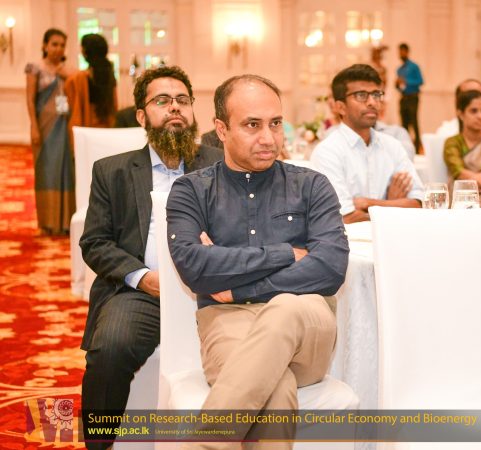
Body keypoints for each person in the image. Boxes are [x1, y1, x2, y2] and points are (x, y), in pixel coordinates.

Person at [166, 74, 348, 448]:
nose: (268, 138)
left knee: (284, 308)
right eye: (252, 125)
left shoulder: (312, 185)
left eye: (275, 123)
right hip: (226, 321)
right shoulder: (191, 191)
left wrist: (239, 285)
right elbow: (195, 267)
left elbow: (330, 267)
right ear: (221, 129)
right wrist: (286, 254)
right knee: (274, 390)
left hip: (305, 319)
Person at [79, 66, 221, 449]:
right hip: (143, 292)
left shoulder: (220, 164)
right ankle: (99, 444)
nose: (174, 108)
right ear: (142, 116)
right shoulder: (113, 171)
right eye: (162, 101)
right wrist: (142, 278)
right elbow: (95, 242)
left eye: (182, 100)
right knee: (109, 350)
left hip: (215, 291)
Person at [312, 64, 424, 224]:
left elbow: (418, 204)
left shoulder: (393, 146)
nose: (372, 102)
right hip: (351, 239)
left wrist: (367, 203)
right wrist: (392, 205)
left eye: (376, 94)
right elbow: (344, 217)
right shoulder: (328, 151)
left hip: (395, 236)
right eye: (361, 95)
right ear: (340, 107)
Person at [25, 28, 75, 235]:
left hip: (64, 126)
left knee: (65, 171)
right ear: (45, 45)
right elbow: (30, 100)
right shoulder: (34, 68)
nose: (58, 49)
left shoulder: (68, 70)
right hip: (44, 128)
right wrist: (34, 127)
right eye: (54, 44)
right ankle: (47, 223)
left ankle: (65, 222)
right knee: (47, 171)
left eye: (62, 45)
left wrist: (68, 76)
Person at [65, 33, 118, 144]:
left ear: (86, 52)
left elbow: (69, 104)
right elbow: (114, 105)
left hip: (86, 130)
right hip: (108, 129)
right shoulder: (110, 75)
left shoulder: (78, 77)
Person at [395, 43, 424, 151]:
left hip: (412, 97)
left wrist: (407, 81)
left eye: (403, 51)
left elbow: (420, 81)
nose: (401, 54)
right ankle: (405, 147)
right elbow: (400, 87)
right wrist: (397, 84)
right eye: (399, 52)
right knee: (404, 124)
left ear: (407, 52)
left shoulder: (414, 67)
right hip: (404, 98)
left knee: (414, 122)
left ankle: (417, 147)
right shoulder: (399, 69)